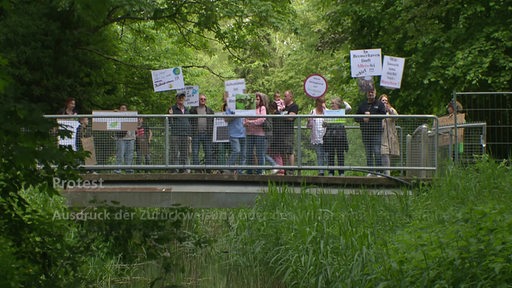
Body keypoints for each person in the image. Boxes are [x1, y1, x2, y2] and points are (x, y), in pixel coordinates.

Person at [355, 88, 386, 176]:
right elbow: (356, 117)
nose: (370, 93)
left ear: (375, 93)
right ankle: (370, 171)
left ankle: (379, 171)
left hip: (376, 132)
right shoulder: (362, 105)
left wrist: (371, 116)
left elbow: (383, 115)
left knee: (377, 151)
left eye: (372, 92)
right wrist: (363, 118)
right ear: (366, 93)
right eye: (369, 92)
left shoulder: (379, 104)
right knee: (368, 152)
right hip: (365, 132)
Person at [273, 90, 299, 175]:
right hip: (280, 132)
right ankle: (284, 170)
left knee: (289, 151)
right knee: (282, 152)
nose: (283, 98)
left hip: (288, 132)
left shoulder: (294, 106)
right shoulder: (283, 107)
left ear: (290, 97)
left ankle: (291, 170)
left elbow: (291, 117)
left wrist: (281, 115)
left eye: (285, 96)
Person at [323, 97, 351, 176]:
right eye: (331, 103)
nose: (331, 105)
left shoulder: (341, 112)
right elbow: (324, 125)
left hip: (340, 136)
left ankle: (341, 172)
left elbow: (349, 108)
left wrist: (343, 102)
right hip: (330, 136)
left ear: (338, 105)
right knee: (331, 154)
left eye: (333, 103)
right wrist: (325, 121)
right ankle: (331, 172)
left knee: (340, 154)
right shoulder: (328, 112)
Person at [189, 94, 215, 173]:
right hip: (196, 134)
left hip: (207, 134)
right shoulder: (193, 110)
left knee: (208, 152)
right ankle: (197, 170)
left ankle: (208, 170)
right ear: (198, 100)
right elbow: (189, 121)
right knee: (195, 152)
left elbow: (213, 122)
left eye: (204, 99)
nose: (203, 100)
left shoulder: (210, 110)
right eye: (201, 99)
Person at [244, 92, 268, 175]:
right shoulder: (248, 108)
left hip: (259, 134)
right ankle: (249, 171)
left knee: (259, 153)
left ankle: (260, 171)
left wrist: (251, 122)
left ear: (260, 100)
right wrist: (246, 123)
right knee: (249, 153)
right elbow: (244, 119)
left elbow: (262, 119)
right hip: (249, 133)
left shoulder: (262, 108)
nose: (256, 101)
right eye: (254, 99)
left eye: (258, 99)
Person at [168, 93, 192, 173]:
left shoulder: (187, 109)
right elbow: (169, 122)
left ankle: (183, 169)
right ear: (176, 99)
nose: (181, 99)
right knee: (174, 153)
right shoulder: (172, 108)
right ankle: (174, 170)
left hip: (185, 134)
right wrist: (170, 115)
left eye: (182, 97)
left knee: (184, 153)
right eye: (179, 97)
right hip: (176, 134)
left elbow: (189, 121)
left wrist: (189, 134)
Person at [379, 94, 400, 176]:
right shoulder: (379, 111)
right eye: (383, 100)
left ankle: (387, 172)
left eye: (386, 100)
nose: (384, 102)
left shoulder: (390, 110)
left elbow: (396, 117)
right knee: (384, 153)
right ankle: (386, 173)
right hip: (382, 136)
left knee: (389, 154)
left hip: (391, 136)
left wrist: (390, 110)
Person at [223, 101, 246, 175]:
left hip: (244, 133)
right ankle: (227, 167)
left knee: (243, 154)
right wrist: (235, 114)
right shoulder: (230, 107)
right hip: (233, 133)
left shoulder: (244, 106)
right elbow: (226, 119)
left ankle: (240, 172)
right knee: (237, 150)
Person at [307, 96, 327, 176]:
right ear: (317, 103)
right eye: (320, 102)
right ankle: (321, 171)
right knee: (319, 154)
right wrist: (308, 121)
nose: (321, 104)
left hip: (326, 137)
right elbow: (309, 126)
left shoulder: (327, 112)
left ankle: (329, 171)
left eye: (323, 102)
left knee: (327, 155)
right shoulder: (313, 112)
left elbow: (332, 121)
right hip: (316, 137)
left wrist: (325, 110)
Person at [114, 104, 136, 174]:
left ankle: (128, 169)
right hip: (121, 138)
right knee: (120, 154)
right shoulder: (116, 116)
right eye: (122, 108)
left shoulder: (131, 116)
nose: (123, 109)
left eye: (125, 108)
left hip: (130, 138)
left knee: (129, 155)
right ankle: (118, 169)